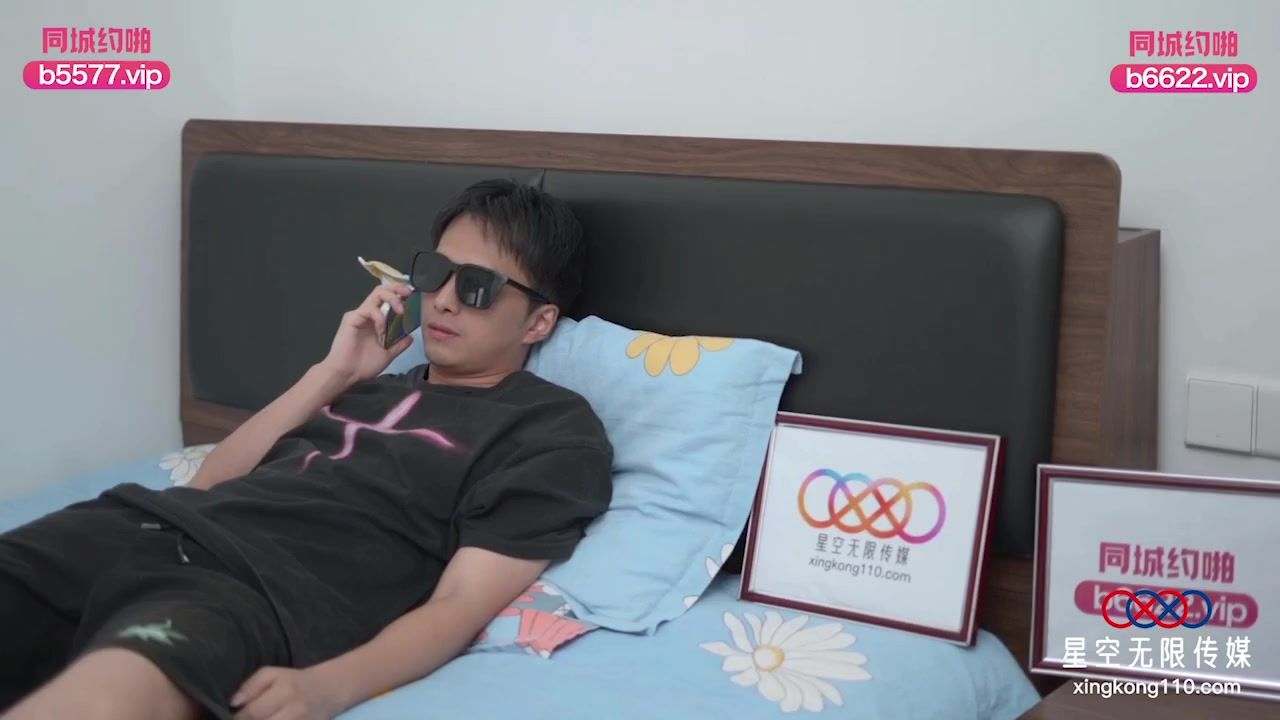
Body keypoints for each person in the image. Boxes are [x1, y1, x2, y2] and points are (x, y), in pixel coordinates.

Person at [0, 179, 614, 720]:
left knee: (106, 698)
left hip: (258, 589)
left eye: (478, 287)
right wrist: (332, 374)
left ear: (538, 322)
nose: (444, 299)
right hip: (143, 524)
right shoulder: (367, 388)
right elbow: (209, 483)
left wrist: (326, 688)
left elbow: (460, 604)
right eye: (435, 273)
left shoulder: (550, 431)